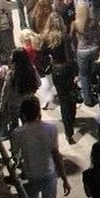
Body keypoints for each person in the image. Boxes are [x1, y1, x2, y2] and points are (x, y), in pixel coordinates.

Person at [10, 96, 71, 198]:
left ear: (23, 115)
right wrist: (64, 179)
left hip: (29, 175)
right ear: (39, 112)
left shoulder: (17, 133)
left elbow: (15, 157)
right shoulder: (51, 128)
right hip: (48, 173)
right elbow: (56, 155)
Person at [41, 12, 77, 144]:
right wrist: (76, 72)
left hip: (56, 70)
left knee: (63, 99)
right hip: (67, 69)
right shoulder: (66, 37)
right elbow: (71, 55)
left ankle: (68, 131)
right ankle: (71, 121)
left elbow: (42, 54)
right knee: (71, 97)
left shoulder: (46, 38)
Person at [0, 49, 40, 139]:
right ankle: (29, 140)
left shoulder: (12, 73)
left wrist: (2, 104)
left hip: (14, 103)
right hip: (28, 102)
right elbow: (39, 83)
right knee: (28, 123)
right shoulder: (32, 69)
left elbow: (6, 90)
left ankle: (16, 143)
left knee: (14, 125)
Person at [71, 1, 100, 107]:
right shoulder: (93, 22)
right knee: (92, 73)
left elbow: (71, 38)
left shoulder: (75, 24)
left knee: (83, 75)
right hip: (94, 49)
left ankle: (87, 99)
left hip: (82, 51)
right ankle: (95, 93)